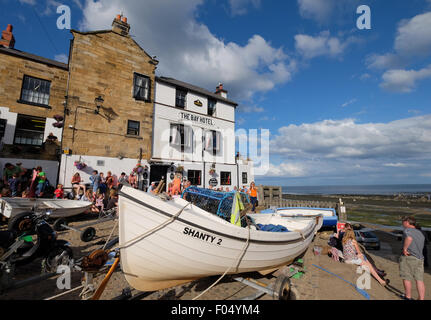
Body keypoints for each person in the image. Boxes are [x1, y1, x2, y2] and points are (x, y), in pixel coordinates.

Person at [399, 216, 426, 300]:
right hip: (420, 258)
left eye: (403, 222)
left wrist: (405, 249)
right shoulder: (420, 232)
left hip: (409, 257)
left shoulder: (407, 230)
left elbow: (409, 238)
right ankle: (421, 298)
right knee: (419, 280)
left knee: (406, 277)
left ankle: (408, 296)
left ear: (407, 222)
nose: (402, 224)